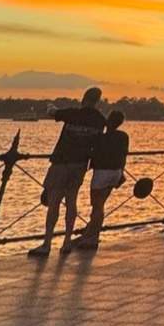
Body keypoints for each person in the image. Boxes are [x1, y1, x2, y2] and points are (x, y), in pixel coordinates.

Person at [31, 87, 106, 257]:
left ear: (84, 98)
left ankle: (47, 243)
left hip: (62, 162)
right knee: (72, 201)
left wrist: (50, 105)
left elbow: (53, 113)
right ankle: (66, 242)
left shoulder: (72, 113)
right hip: (80, 164)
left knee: (54, 201)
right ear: (98, 101)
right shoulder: (99, 119)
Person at [79, 110, 129, 251]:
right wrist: (122, 172)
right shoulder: (123, 136)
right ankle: (91, 230)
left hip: (102, 172)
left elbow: (92, 153)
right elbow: (124, 156)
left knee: (97, 206)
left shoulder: (100, 137)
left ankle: (92, 236)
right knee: (100, 204)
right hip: (115, 172)